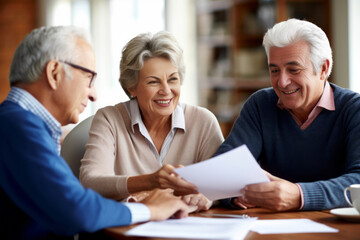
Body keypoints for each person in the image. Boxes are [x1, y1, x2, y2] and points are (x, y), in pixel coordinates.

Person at [0, 26, 190, 240]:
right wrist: (150, 209)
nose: (93, 94)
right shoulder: (18, 126)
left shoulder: (17, 123)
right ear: (54, 73)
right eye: (88, 77)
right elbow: (76, 208)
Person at [217, 18, 360, 211]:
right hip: (271, 228)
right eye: (275, 70)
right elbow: (224, 168)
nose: (282, 82)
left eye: (293, 70)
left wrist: (299, 195)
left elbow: (358, 180)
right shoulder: (259, 105)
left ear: (323, 69)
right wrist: (236, 196)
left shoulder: (354, 109)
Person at [79, 31, 224, 212]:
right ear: (132, 87)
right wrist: (151, 181)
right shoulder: (109, 119)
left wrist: (206, 197)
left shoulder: (203, 121)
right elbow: (90, 182)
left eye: (173, 79)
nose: (166, 90)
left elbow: (222, 185)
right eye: (153, 82)